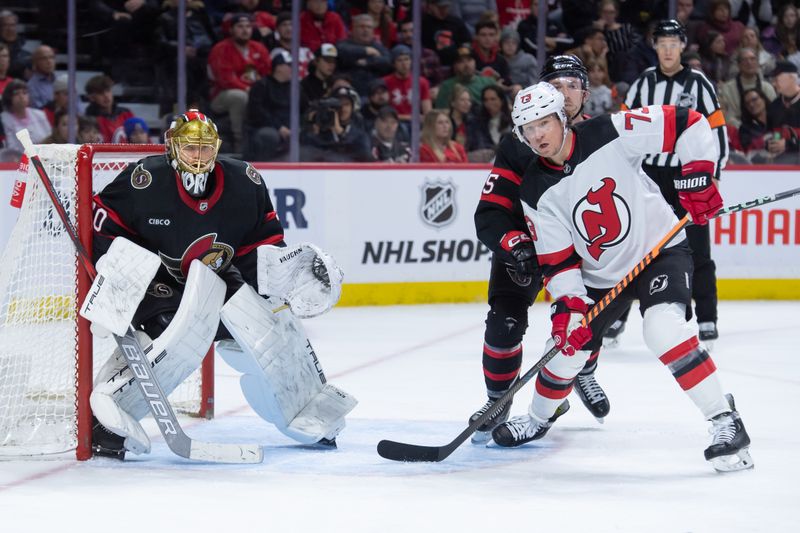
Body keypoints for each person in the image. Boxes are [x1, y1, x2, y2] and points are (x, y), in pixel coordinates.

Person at [490, 81, 753, 474]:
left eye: (544, 122)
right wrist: (569, 310)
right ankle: (539, 418)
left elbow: (690, 123)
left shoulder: (609, 130)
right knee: (564, 350)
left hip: (659, 252)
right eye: (527, 128)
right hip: (600, 277)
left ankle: (725, 422)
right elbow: (559, 262)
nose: (537, 135)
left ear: (562, 117)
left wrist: (700, 174)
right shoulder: (534, 191)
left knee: (662, 330)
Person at [86, 110, 354, 459]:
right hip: (159, 281)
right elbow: (105, 222)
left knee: (266, 329)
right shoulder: (145, 180)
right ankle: (109, 418)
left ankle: (305, 409)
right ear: (172, 148)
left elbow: (263, 242)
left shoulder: (245, 181)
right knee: (173, 339)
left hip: (217, 273)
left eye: (205, 148)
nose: (198, 156)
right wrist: (115, 269)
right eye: (190, 148)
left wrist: (283, 273)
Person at [468, 55, 610, 445]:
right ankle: (497, 401)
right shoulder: (519, 143)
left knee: (583, 327)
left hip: (580, 250)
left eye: (571, 85)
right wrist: (514, 245)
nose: (564, 93)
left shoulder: (602, 134)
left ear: (585, 91)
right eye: (555, 85)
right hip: (527, 248)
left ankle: (581, 371)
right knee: (504, 324)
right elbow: (491, 213)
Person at [614, 19, 728, 350]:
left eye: (672, 43)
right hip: (649, 176)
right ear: (655, 46)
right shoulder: (641, 85)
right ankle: (616, 319)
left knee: (696, 247)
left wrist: (713, 174)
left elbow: (716, 131)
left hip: (687, 175)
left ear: (682, 46)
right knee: (635, 248)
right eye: (661, 43)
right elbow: (622, 132)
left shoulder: (699, 83)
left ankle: (706, 317)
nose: (667, 49)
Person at [207, 13, 271, 154]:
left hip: (252, 91)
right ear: (231, 30)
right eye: (240, 26)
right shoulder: (221, 49)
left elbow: (267, 74)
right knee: (239, 96)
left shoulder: (259, 48)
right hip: (222, 95)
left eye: (248, 26)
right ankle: (239, 141)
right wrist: (248, 89)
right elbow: (225, 79)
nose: (245, 30)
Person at [0, 80, 52, 153]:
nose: (21, 97)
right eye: (16, 94)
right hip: (17, 161)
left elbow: (51, 139)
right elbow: (10, 147)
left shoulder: (40, 114)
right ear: (8, 97)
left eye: (24, 93)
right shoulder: (3, 119)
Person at [765, 60, 800, 164]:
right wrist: (769, 143)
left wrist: (789, 144)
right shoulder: (774, 106)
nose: (773, 83)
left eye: (776, 79)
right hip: (782, 163)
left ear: (791, 78)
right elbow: (769, 133)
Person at [83, 74, 135, 143]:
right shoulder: (89, 119)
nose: (106, 96)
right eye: (100, 93)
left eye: (108, 90)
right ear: (92, 97)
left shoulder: (126, 113)